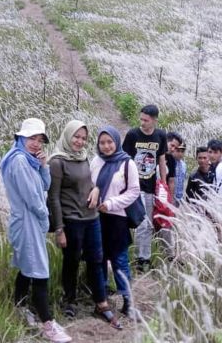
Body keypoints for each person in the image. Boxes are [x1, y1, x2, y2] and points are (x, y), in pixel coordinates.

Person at [0, 118, 72, 343]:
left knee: (26, 267)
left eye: (39, 139)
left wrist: (43, 166)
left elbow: (45, 185)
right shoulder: (19, 161)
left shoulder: (29, 160)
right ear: (20, 138)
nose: (36, 143)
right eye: (31, 138)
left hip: (25, 221)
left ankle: (20, 307)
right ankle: (47, 325)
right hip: (27, 222)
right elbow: (33, 198)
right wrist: (45, 218)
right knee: (40, 272)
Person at [48, 120, 121, 330]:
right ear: (67, 136)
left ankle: (101, 303)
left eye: (83, 138)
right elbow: (53, 198)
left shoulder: (83, 158)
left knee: (96, 260)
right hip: (72, 220)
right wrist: (59, 229)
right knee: (71, 261)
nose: (79, 142)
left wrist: (96, 189)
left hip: (92, 218)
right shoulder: (57, 162)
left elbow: (88, 183)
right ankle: (69, 301)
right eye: (76, 137)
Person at [91, 125, 141, 318]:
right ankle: (102, 297)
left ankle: (128, 302)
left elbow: (134, 191)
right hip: (96, 218)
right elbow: (89, 183)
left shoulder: (127, 163)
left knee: (120, 259)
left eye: (109, 142)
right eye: (102, 143)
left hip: (117, 218)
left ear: (116, 142)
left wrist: (111, 203)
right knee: (99, 257)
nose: (106, 146)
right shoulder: (96, 161)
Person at [122, 105, 167, 272]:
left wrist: (162, 184)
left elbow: (161, 160)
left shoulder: (160, 136)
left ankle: (144, 258)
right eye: (141, 119)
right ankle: (138, 257)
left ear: (155, 120)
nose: (142, 123)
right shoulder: (133, 135)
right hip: (135, 186)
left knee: (147, 224)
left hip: (151, 185)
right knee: (139, 223)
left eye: (146, 120)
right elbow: (125, 160)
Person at [165, 132, 188, 206]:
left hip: (179, 197)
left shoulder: (184, 165)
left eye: (182, 151)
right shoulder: (169, 159)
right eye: (178, 151)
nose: (180, 154)